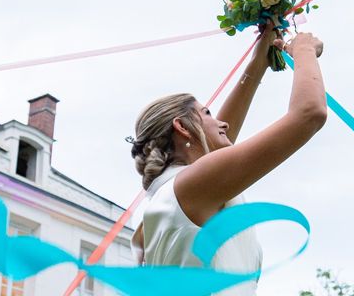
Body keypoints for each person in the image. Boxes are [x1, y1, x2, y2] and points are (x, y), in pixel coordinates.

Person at [129, 23, 326, 295]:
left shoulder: (177, 191)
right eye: (207, 114)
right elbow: (309, 114)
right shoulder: (189, 187)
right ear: (183, 128)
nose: (221, 123)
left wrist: (259, 61)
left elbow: (220, 141)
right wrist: (303, 50)